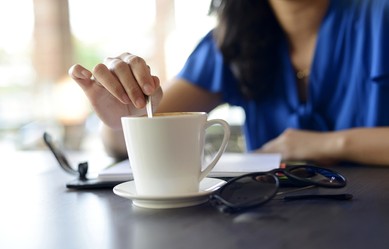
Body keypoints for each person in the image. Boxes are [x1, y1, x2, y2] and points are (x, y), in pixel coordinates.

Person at [69, 0, 389, 165]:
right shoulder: (231, 42)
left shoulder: (380, 17)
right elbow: (121, 142)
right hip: (276, 233)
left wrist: (328, 143)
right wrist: (127, 114)